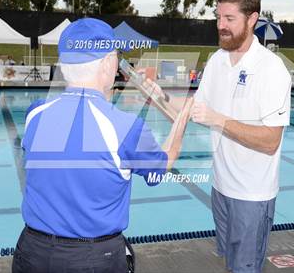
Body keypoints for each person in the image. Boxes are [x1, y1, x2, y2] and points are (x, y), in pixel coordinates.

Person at [12, 18, 192, 273]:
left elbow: (83, 115)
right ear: (108, 63)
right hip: (92, 259)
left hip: (32, 253)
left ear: (64, 65)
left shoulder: (36, 113)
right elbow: (161, 166)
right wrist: (181, 117)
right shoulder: (127, 128)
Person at [146, 0, 291, 273]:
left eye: (229, 19)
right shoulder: (217, 60)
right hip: (221, 188)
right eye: (218, 17)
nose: (220, 26)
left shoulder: (271, 69)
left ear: (252, 20)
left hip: (252, 196)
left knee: (245, 268)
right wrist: (155, 94)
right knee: (230, 264)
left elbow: (270, 141)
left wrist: (220, 120)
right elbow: (191, 111)